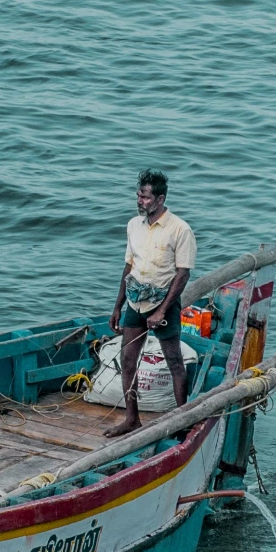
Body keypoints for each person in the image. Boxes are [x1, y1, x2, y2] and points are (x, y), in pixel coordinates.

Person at [105, 167, 195, 438]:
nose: (139, 201)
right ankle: (132, 419)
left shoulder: (180, 229)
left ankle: (183, 421)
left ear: (160, 199)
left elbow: (183, 274)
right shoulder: (134, 225)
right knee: (128, 360)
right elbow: (129, 267)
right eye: (138, 195)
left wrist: (163, 310)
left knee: (174, 362)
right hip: (135, 302)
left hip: (162, 303)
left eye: (144, 197)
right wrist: (117, 306)